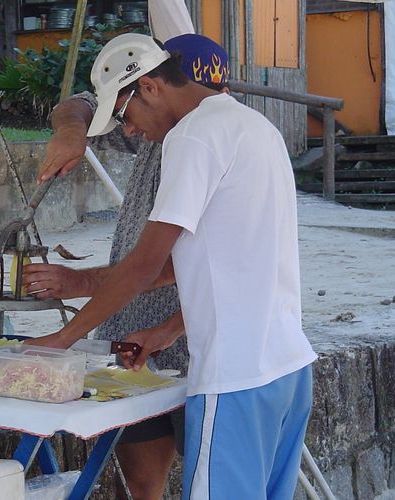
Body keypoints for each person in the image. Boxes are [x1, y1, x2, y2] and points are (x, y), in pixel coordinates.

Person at [27, 33, 318, 499]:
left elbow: (145, 265)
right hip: (289, 370)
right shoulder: (256, 127)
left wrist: (63, 339)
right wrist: (166, 331)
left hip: (235, 380)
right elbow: (240, 265)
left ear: (150, 87)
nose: (129, 130)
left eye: (124, 115)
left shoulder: (193, 135)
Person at [24, 34, 231, 500]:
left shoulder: (206, 142)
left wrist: (77, 291)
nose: (129, 131)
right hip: (136, 341)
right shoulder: (156, 124)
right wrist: (72, 131)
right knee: (140, 486)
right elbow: (78, 103)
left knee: (213, 480)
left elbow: (167, 265)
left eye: (127, 117)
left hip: (201, 355)